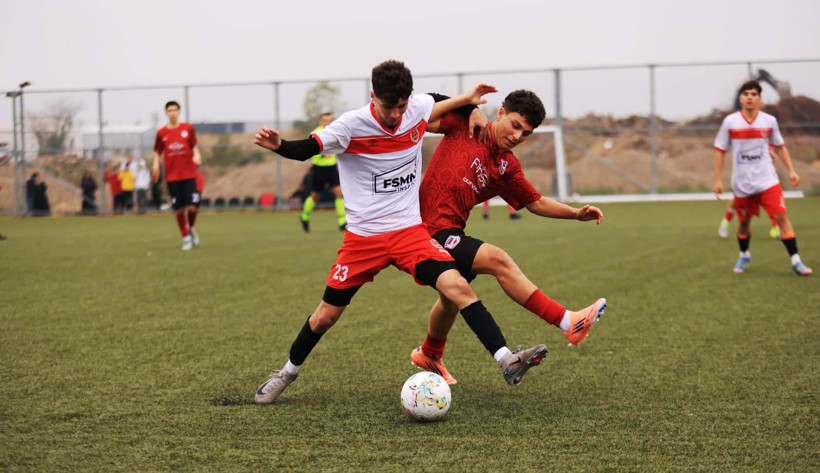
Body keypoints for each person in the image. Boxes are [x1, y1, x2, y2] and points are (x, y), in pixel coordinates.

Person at [251, 60, 546, 406]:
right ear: (373, 96)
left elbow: (436, 100)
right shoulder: (351, 125)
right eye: (388, 107)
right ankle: (286, 373)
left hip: (409, 232)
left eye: (402, 106)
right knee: (325, 317)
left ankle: (506, 359)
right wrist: (280, 144)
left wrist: (471, 107)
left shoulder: (415, 108)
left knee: (458, 286)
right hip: (363, 239)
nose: (395, 115)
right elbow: (307, 149)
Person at [411, 90, 606, 384]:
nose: (517, 136)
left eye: (525, 133)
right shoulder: (465, 124)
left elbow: (536, 202)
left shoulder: (506, 166)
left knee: (451, 299)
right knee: (498, 259)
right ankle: (568, 321)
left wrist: (575, 213)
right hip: (425, 230)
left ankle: (429, 353)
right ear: (500, 113)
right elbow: (417, 105)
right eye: (515, 125)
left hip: (451, 232)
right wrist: (466, 107)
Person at [713, 80, 812, 276]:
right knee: (744, 223)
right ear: (741, 98)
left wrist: (791, 170)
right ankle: (744, 254)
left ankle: (796, 261)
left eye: (754, 94)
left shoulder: (769, 121)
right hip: (742, 184)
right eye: (746, 94)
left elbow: (780, 146)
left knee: (782, 216)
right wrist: (717, 180)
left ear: (760, 99)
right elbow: (720, 150)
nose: (750, 97)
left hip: (767, 180)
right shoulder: (730, 122)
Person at [152, 100, 202, 250]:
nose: (172, 113)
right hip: (172, 177)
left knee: (193, 208)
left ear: (179, 112)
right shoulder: (161, 133)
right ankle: (186, 238)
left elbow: (194, 146)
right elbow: (157, 152)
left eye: (175, 110)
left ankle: (191, 228)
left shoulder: (188, 128)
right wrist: (155, 165)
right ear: (166, 113)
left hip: (189, 174)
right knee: (179, 209)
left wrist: (197, 155)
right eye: (169, 111)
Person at [299, 113, 346, 232]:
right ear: (320, 121)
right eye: (325, 121)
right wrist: (322, 156)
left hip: (332, 168)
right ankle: (304, 216)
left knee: (339, 193)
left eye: (329, 121)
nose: (327, 123)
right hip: (319, 169)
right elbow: (311, 151)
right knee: (316, 196)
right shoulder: (316, 134)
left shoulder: (335, 132)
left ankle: (342, 221)